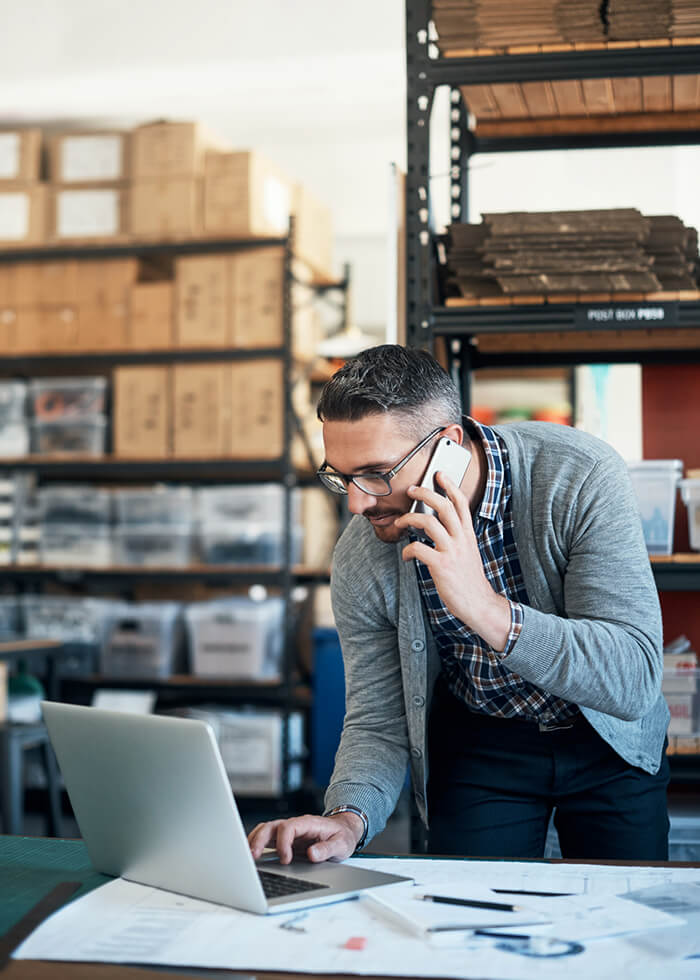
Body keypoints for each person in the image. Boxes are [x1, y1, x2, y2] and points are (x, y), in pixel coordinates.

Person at [248, 344, 670, 864]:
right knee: (467, 923)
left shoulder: (577, 475)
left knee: (621, 914)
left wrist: (486, 609)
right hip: (483, 744)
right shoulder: (363, 555)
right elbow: (377, 720)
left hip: (607, 739)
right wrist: (347, 817)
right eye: (340, 475)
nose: (356, 503)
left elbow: (632, 680)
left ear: (447, 444)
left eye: (377, 472)